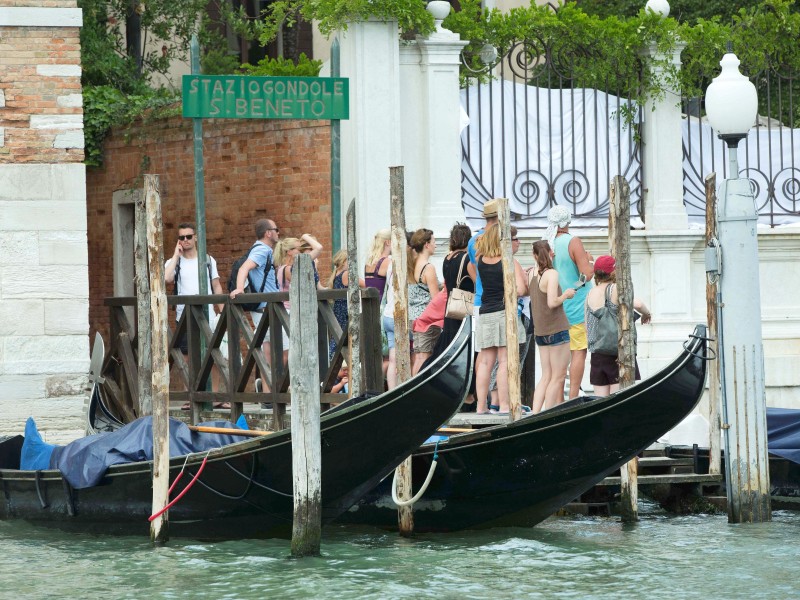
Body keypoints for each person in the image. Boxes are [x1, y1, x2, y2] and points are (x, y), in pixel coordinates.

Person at [164, 222, 226, 404]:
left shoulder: (207, 260)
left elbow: (216, 285)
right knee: (186, 357)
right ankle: (189, 397)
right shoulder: (174, 262)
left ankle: (214, 396)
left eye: (188, 237)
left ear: (195, 237)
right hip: (184, 315)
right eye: (181, 237)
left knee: (213, 354)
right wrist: (176, 254)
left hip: (207, 313)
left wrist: (222, 311)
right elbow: (167, 279)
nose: (185, 240)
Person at [474, 223, 527, 414]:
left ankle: (481, 406)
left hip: (486, 311)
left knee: (486, 362)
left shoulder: (480, 259)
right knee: (505, 361)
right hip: (504, 312)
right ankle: (505, 405)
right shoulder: (509, 261)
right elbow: (520, 290)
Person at [545, 205, 594, 399]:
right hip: (577, 304)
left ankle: (558, 399)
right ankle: (573, 396)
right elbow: (586, 275)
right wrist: (589, 261)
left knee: (559, 357)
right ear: (568, 221)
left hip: (556, 306)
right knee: (579, 352)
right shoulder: (572, 241)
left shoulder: (546, 244)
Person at [585, 255, 651, 396]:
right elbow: (638, 304)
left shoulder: (590, 292)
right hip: (616, 353)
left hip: (597, 353)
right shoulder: (615, 288)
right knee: (617, 399)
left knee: (600, 403)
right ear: (613, 272)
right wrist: (647, 314)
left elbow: (589, 323)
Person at [229, 218, 280, 395]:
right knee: (276, 352)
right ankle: (271, 394)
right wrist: (239, 288)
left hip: (266, 308)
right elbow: (245, 268)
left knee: (269, 352)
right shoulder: (262, 250)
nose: (278, 233)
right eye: (276, 229)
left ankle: (268, 394)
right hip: (266, 309)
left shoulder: (260, 249)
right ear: (268, 233)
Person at [529, 240, 575, 413]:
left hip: (540, 331)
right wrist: (566, 295)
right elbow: (552, 302)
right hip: (557, 329)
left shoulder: (531, 273)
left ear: (534, 255)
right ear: (550, 253)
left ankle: (535, 413)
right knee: (558, 376)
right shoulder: (552, 274)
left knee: (546, 376)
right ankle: (547, 415)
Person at [407, 228, 440, 356]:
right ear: (426, 245)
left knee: (418, 356)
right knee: (425, 358)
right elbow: (435, 298)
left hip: (413, 316)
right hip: (426, 319)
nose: (435, 245)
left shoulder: (411, 264)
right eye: (434, 241)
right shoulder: (428, 267)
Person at [364, 229, 392, 303]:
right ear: (388, 242)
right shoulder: (387, 261)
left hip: (368, 305)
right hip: (380, 306)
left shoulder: (369, 261)